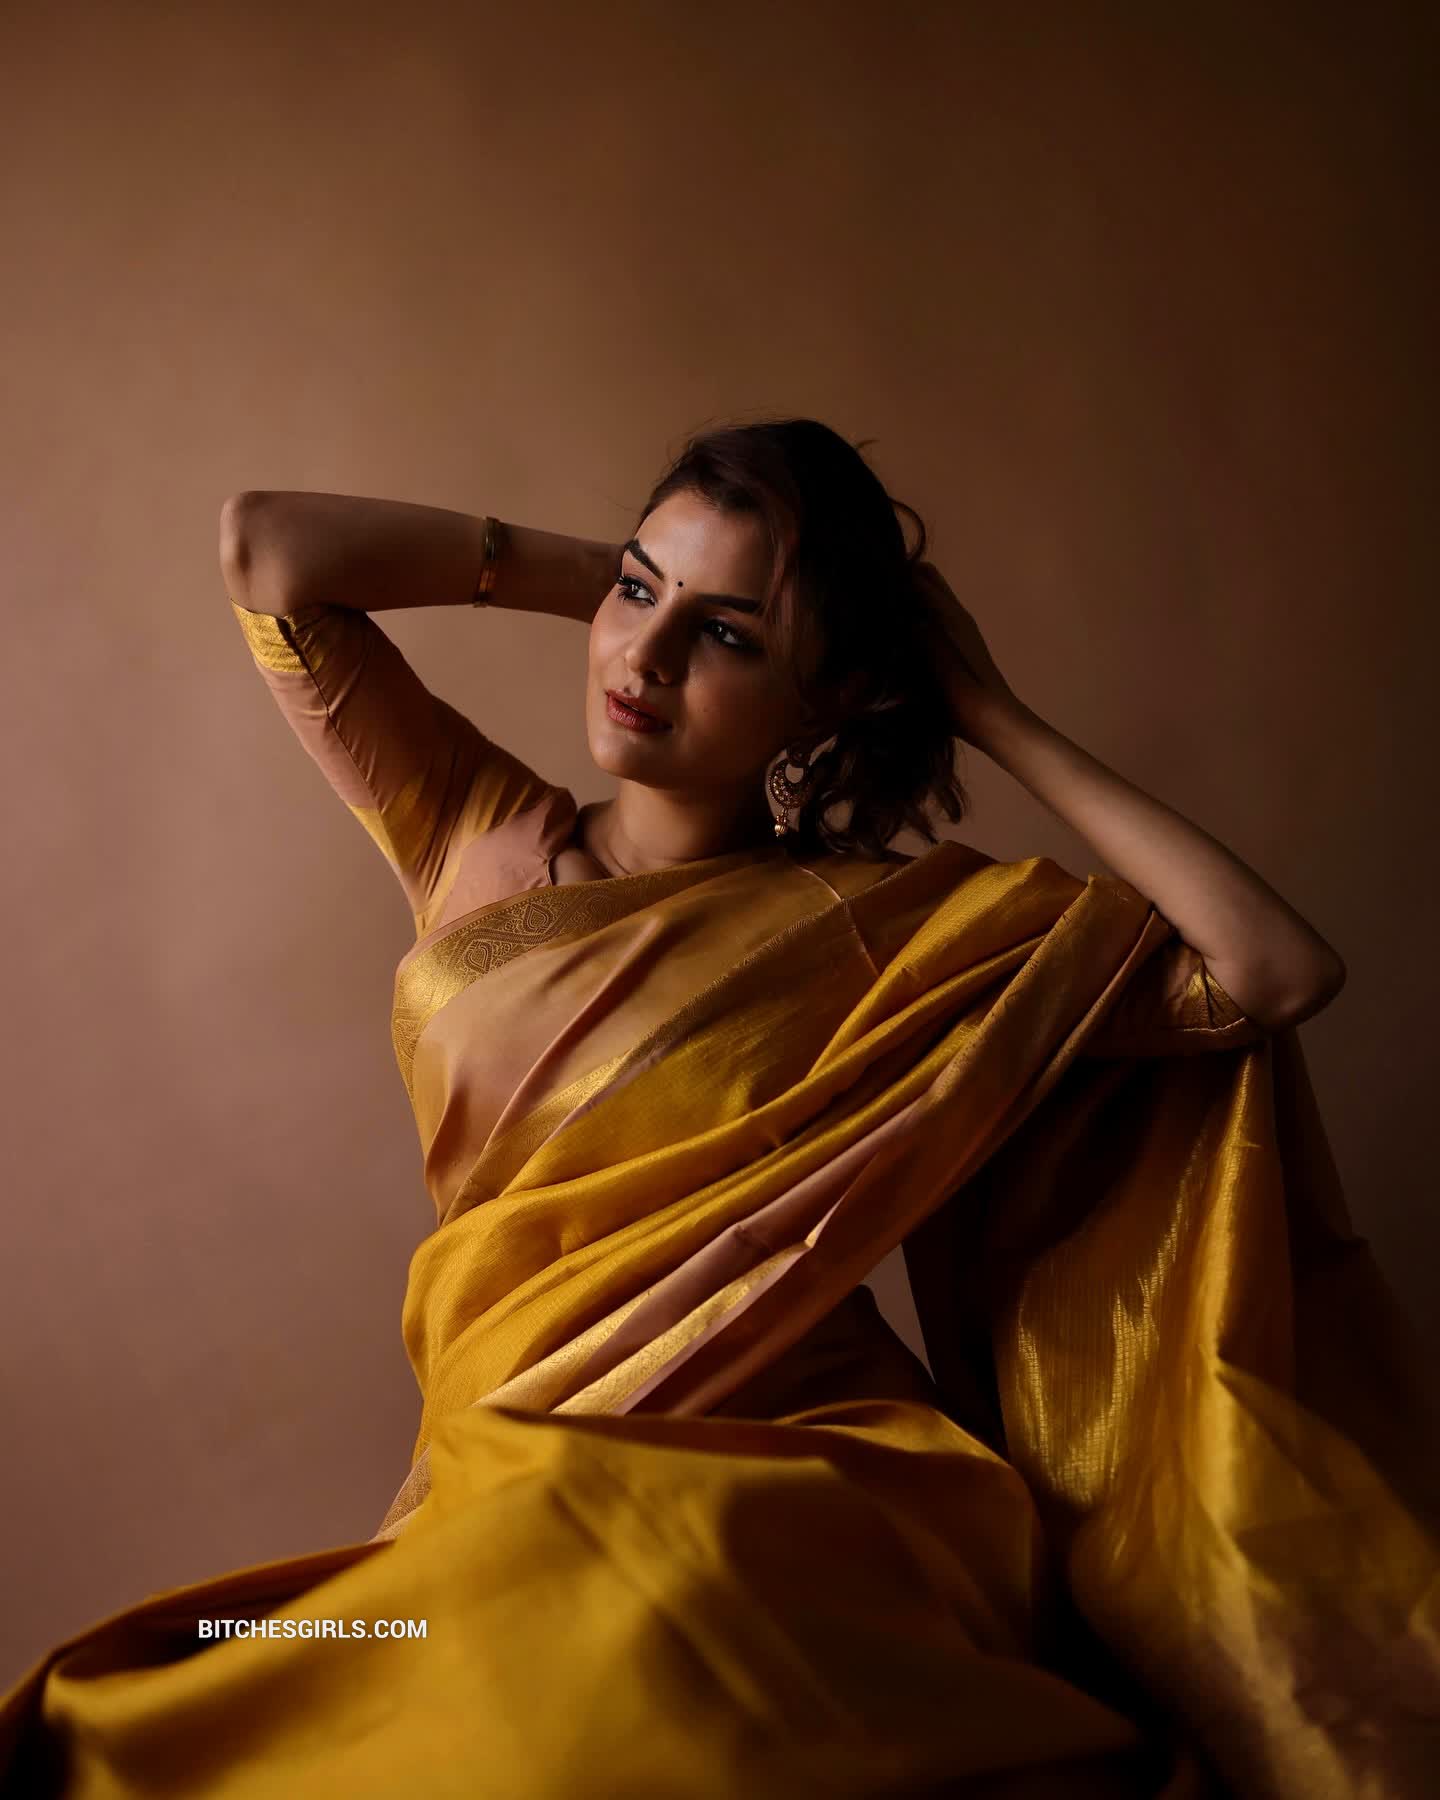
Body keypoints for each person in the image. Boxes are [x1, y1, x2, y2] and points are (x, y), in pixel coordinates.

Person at [2, 419, 1435, 1797]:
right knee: (247, 1664)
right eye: (641, 597)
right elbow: (265, 550)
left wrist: (989, 712)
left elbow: (1273, 970)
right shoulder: (468, 827)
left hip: (801, 1477)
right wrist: (618, 580)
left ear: (828, 697)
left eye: (731, 640)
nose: (647, 658)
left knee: (637, 1610)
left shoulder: (889, 931)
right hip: (506, 1463)